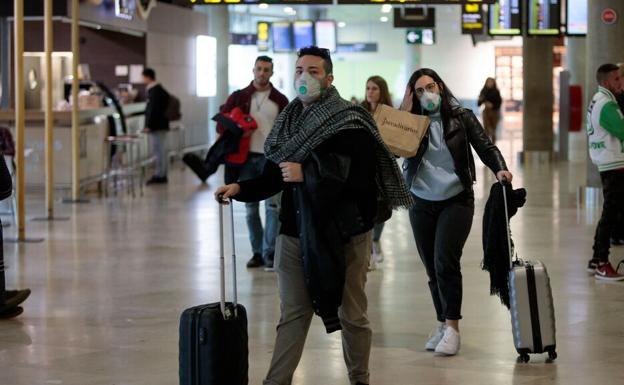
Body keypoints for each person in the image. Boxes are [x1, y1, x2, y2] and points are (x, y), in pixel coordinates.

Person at [215, 46, 412, 385]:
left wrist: (310, 174)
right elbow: (275, 174)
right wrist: (241, 189)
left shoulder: (351, 120)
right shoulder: (288, 122)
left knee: (352, 314)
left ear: (329, 78)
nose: (304, 77)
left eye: (313, 71)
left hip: (345, 233)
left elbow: (363, 179)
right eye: (299, 70)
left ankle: (359, 378)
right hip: (295, 230)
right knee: (293, 313)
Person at [401, 68, 512, 356]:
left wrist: (499, 167)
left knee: (444, 261)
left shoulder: (461, 117)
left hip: (456, 199)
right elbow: (391, 149)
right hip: (420, 201)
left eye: (430, 87)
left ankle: (453, 328)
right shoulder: (412, 122)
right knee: (431, 268)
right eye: (420, 90)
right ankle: (441, 322)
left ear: (439, 86)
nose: (427, 94)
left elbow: (485, 146)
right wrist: (403, 113)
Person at [218, 56, 289, 270]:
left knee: (273, 208)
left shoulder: (280, 100)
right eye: (259, 69)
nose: (262, 73)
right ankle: (256, 252)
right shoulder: (239, 97)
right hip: (245, 158)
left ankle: (270, 253)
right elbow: (221, 123)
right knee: (250, 208)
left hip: (271, 159)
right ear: (253, 70)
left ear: (272, 73)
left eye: (266, 69)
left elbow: (287, 130)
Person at [586, 63, 624, 281]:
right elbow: (622, 130)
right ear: (608, 81)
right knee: (609, 215)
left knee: (611, 214)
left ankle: (596, 260)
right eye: (617, 79)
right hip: (613, 164)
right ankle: (601, 262)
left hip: (611, 163)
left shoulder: (599, 100)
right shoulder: (607, 104)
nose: (620, 83)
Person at [361, 75, 393, 270]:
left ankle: (375, 241)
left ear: (382, 91)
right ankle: (368, 248)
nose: (370, 92)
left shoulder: (389, 114)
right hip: (363, 167)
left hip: (383, 168)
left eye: (374, 88)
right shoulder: (360, 111)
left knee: (381, 209)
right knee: (366, 208)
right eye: (368, 88)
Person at [142, 68, 171, 185]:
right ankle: (161, 173)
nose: (142, 79)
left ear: (148, 77)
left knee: (159, 151)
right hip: (161, 125)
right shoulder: (159, 89)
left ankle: (160, 175)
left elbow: (153, 110)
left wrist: (149, 125)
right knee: (161, 150)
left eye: (143, 77)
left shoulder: (154, 91)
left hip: (157, 126)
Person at [477, 77, 502, 144]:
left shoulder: (496, 92)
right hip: (486, 112)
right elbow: (479, 103)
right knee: (486, 130)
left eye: (491, 82)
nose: (490, 83)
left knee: (493, 130)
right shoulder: (483, 91)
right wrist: (483, 101)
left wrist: (492, 105)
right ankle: (487, 145)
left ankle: (493, 145)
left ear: (494, 83)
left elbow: (499, 103)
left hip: (495, 113)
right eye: (488, 82)